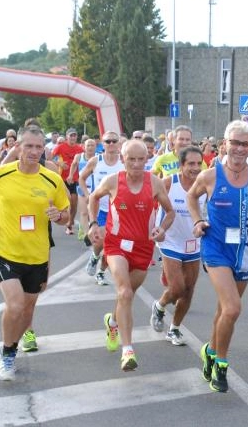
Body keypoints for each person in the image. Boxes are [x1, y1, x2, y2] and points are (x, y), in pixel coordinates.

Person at [0, 124, 70, 380]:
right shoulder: (1, 174)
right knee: (14, 306)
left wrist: (58, 215)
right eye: (29, 146)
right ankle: (6, 355)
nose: (34, 151)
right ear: (18, 147)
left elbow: (66, 215)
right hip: (3, 250)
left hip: (37, 255)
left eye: (39, 147)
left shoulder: (53, 179)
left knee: (27, 311)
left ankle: (13, 346)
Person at [187, 120, 248, 393]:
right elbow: (192, 198)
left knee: (225, 310)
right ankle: (221, 367)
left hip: (245, 251)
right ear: (224, 144)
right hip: (215, 248)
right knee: (233, 308)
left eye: (245, 144)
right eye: (234, 142)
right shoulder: (210, 175)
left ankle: (210, 351)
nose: (239, 148)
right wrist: (197, 220)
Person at [88, 140, 174, 371]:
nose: (136, 164)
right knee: (124, 291)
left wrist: (162, 229)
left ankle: (113, 322)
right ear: (123, 159)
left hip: (144, 248)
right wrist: (94, 223)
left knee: (127, 295)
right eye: (131, 159)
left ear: (148, 160)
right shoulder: (113, 181)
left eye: (141, 159)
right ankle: (128, 351)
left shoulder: (154, 183)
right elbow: (94, 198)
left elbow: (170, 211)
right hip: (116, 245)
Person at [149, 146, 206, 346]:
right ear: (181, 165)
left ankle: (174, 329)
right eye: (191, 163)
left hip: (193, 243)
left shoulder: (205, 185)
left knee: (189, 289)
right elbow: (148, 205)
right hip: (170, 240)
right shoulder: (168, 183)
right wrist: (155, 230)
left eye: (199, 163)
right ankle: (160, 304)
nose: (195, 168)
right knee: (177, 287)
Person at [79, 131, 124, 285]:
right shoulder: (95, 161)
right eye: (107, 141)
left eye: (114, 141)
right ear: (102, 144)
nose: (111, 144)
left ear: (118, 144)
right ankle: (94, 257)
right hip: (101, 209)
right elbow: (81, 177)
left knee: (111, 245)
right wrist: (87, 194)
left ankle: (101, 271)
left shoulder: (124, 162)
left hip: (119, 211)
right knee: (99, 242)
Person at [51, 128, 84, 235]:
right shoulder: (60, 147)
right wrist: (59, 164)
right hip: (62, 179)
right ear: (67, 137)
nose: (73, 137)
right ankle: (65, 221)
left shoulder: (80, 149)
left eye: (75, 135)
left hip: (74, 179)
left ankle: (70, 224)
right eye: (71, 135)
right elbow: (49, 158)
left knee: (74, 203)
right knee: (67, 203)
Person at [69, 138, 97, 241]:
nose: (90, 147)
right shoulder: (79, 156)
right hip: (82, 187)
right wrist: (71, 175)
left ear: (95, 147)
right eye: (88, 145)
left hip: (96, 188)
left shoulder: (98, 157)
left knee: (94, 213)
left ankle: (94, 230)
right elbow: (73, 165)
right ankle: (87, 235)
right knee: (84, 212)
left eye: (92, 145)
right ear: (83, 147)